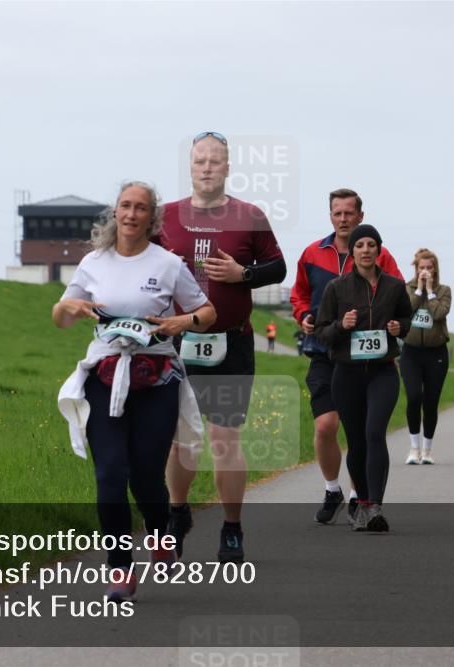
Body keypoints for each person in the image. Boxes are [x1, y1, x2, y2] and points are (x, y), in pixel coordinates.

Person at [55, 182, 217, 602]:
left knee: (146, 477)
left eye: (140, 208)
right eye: (125, 206)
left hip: (156, 379)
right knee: (110, 476)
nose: (130, 214)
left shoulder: (167, 264)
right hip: (104, 377)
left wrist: (185, 323)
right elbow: (61, 316)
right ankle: (121, 571)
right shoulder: (93, 262)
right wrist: (68, 308)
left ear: (151, 217)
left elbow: (207, 311)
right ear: (115, 213)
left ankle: (160, 534)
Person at [160, 131, 286, 563]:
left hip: (230, 341)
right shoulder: (167, 217)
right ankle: (177, 516)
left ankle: (232, 528)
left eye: (215, 161)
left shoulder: (249, 215)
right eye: (200, 161)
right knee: (181, 440)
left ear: (228, 167)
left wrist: (242, 275)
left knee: (224, 438)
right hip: (179, 341)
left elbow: (277, 267)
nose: (207, 168)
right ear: (190, 166)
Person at [290, 188, 403, 523]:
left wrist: (395, 326)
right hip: (324, 351)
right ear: (330, 217)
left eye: (349, 213)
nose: (343, 219)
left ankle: (359, 496)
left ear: (360, 217)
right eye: (337, 213)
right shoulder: (312, 253)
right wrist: (303, 317)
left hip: (366, 359)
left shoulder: (380, 256)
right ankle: (331, 489)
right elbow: (299, 294)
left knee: (362, 430)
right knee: (326, 425)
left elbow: (398, 295)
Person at [315, 225, 412, 532]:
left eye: (372, 244)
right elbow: (322, 333)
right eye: (360, 245)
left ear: (379, 250)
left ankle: (374, 507)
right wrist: (342, 325)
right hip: (347, 374)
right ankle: (362, 504)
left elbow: (409, 321)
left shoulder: (395, 287)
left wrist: (400, 328)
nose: (366, 250)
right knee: (356, 441)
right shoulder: (337, 288)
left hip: (383, 372)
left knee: (374, 433)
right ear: (353, 251)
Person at [400, 248, 452, 465]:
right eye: (422, 267)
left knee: (431, 402)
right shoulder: (406, 289)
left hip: (436, 353)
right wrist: (419, 290)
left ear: (435, 269)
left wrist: (430, 291)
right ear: (416, 268)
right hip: (411, 352)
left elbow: (440, 313)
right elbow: (405, 310)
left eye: (429, 268)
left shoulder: (443, 290)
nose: (425, 271)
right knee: (413, 397)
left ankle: (427, 450)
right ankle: (414, 448)